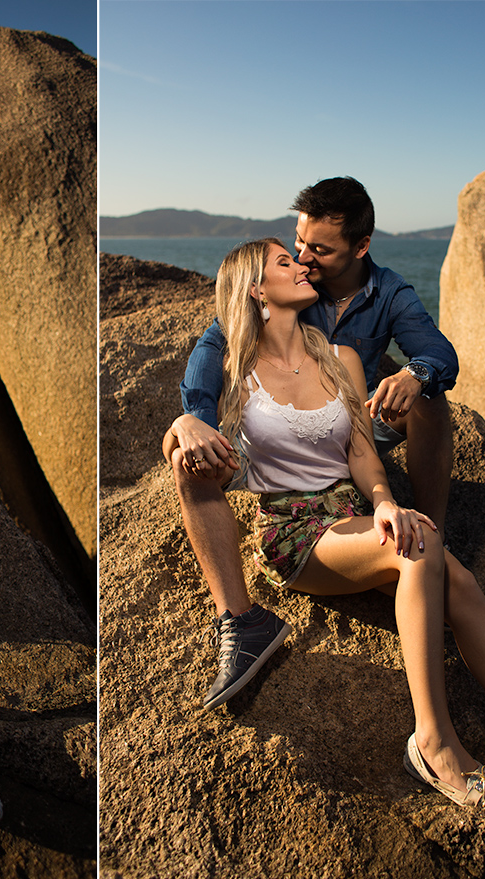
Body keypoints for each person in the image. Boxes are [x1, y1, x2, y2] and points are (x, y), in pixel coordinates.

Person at [163, 238, 485, 839]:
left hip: (355, 513)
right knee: (422, 549)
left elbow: (362, 454)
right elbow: (186, 445)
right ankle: (435, 743)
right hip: (295, 532)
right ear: (257, 290)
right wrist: (183, 421)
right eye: (285, 262)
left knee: (460, 585)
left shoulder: (338, 356)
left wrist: (387, 501)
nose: (301, 264)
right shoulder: (233, 365)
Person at [176, 176, 455, 708]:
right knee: (185, 452)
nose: (304, 258)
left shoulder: (390, 292)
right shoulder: (289, 288)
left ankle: (433, 533)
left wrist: (413, 374)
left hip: (356, 422)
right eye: (298, 243)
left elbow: (438, 352)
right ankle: (239, 620)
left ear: (361, 247)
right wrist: (198, 419)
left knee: (430, 398)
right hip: (285, 438)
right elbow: (213, 347)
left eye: (319, 250)